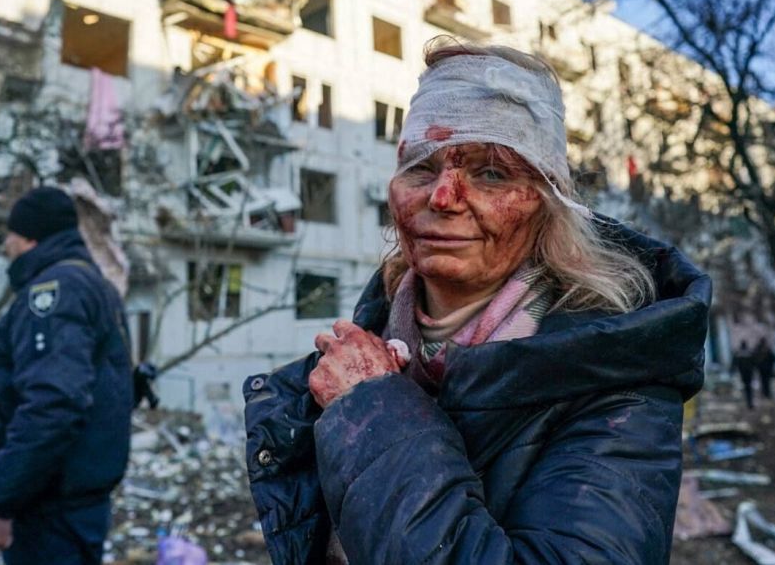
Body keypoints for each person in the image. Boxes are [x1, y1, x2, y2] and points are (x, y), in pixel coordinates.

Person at [244, 39, 711, 564]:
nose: (442, 197)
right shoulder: (365, 347)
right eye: (421, 168)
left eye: (492, 173)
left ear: (548, 203)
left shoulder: (617, 382)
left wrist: (373, 409)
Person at [0, 187, 133, 564]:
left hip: (49, 512)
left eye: (11, 235)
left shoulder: (56, 291)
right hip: (72, 503)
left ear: (31, 239)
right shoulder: (95, 286)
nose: (6, 246)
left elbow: (54, 404)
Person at [732, 341, 756, 409]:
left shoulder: (738, 354)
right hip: (749, 373)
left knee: (746, 387)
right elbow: (755, 362)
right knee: (749, 387)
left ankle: (748, 402)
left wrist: (733, 370)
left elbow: (734, 363)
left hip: (743, 373)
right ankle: (750, 402)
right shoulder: (749, 353)